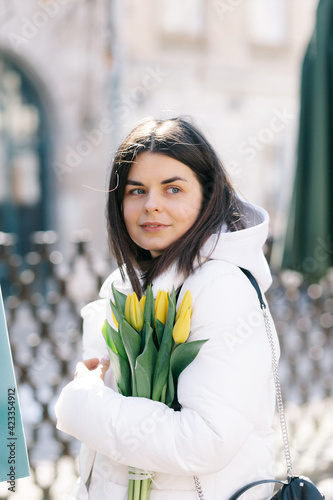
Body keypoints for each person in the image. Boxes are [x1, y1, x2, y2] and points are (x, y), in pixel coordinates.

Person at [55, 116, 279, 499]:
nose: (151, 206)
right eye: (136, 190)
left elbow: (207, 440)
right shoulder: (126, 284)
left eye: (172, 189)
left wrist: (84, 403)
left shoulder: (220, 287)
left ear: (208, 197)